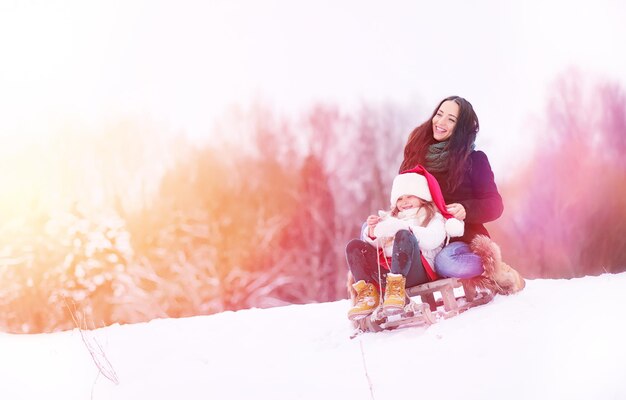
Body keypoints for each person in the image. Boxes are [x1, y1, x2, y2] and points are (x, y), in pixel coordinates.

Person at [399, 95, 524, 293]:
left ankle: (497, 268)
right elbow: (402, 193)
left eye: (451, 119)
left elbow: (495, 205)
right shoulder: (415, 155)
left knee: (447, 263)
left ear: (461, 127)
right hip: (423, 237)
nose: (440, 122)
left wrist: (466, 209)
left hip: (460, 240)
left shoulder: (475, 160)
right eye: (439, 114)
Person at [345, 165, 464, 321]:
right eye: (400, 198)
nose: (404, 202)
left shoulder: (434, 218)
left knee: (404, 235)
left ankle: (396, 289)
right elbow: (379, 247)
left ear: (422, 197)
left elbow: (431, 240)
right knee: (354, 246)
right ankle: (368, 295)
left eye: (410, 196)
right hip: (387, 274)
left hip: (418, 272)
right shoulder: (391, 218)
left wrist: (402, 228)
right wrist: (373, 232)